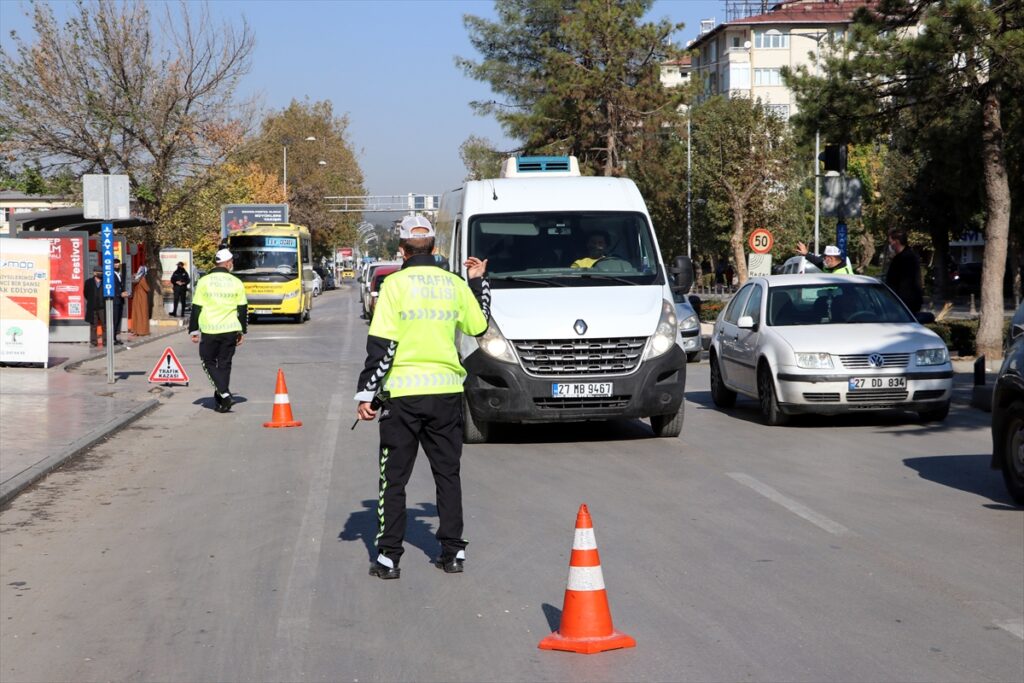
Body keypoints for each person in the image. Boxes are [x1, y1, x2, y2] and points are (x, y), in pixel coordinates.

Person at [355, 215, 490, 580]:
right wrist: (477, 282)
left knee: (394, 478)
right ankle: (453, 552)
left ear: (402, 250)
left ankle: (389, 558)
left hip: (403, 395)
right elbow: (479, 325)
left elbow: (383, 344)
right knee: (447, 474)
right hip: (446, 392)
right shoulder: (455, 284)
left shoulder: (394, 285)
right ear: (434, 247)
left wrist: (368, 393)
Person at [189, 249, 248, 413]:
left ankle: (224, 395)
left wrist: (193, 330)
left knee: (207, 362)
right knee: (224, 364)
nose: (232, 264)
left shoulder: (204, 281)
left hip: (210, 329)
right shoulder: (236, 282)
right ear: (228, 263)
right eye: (232, 262)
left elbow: (196, 306)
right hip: (230, 329)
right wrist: (241, 331)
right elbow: (242, 308)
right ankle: (223, 399)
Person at [884, 228, 923, 314]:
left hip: (904, 306)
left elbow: (906, 284)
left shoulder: (907, 258)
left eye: (890, 242)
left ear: (896, 242)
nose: (890, 245)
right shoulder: (901, 257)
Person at [84, 267, 105, 347]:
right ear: (94, 273)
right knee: (93, 326)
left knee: (105, 325)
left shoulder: (105, 281)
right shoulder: (88, 282)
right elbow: (86, 293)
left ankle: (105, 341)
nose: (100, 273)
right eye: (98, 272)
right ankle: (93, 342)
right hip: (92, 307)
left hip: (103, 307)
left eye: (101, 272)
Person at [129, 263, 151, 336]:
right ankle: (142, 331)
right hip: (142, 298)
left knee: (137, 313)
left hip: (136, 298)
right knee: (143, 314)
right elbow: (147, 288)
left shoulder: (136, 278)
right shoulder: (142, 279)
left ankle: (135, 330)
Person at [111, 258, 126, 344]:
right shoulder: (111, 274)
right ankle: (112, 338)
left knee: (118, 320)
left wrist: (124, 292)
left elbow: (120, 286)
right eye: (115, 264)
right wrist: (119, 294)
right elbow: (113, 287)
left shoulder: (119, 274)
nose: (117, 265)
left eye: (118, 264)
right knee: (115, 320)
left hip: (120, 301)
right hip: (115, 300)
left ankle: (115, 337)